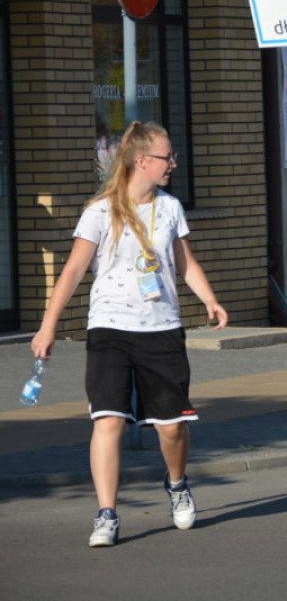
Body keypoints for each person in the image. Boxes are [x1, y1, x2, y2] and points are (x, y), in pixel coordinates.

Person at [30, 121, 228, 547]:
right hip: (109, 327)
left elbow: (185, 263)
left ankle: (177, 485)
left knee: (171, 428)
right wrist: (48, 326)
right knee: (109, 420)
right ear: (142, 161)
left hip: (161, 328)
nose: (172, 163)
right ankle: (106, 514)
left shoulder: (170, 208)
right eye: (166, 157)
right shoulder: (100, 211)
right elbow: (74, 271)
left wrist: (210, 299)